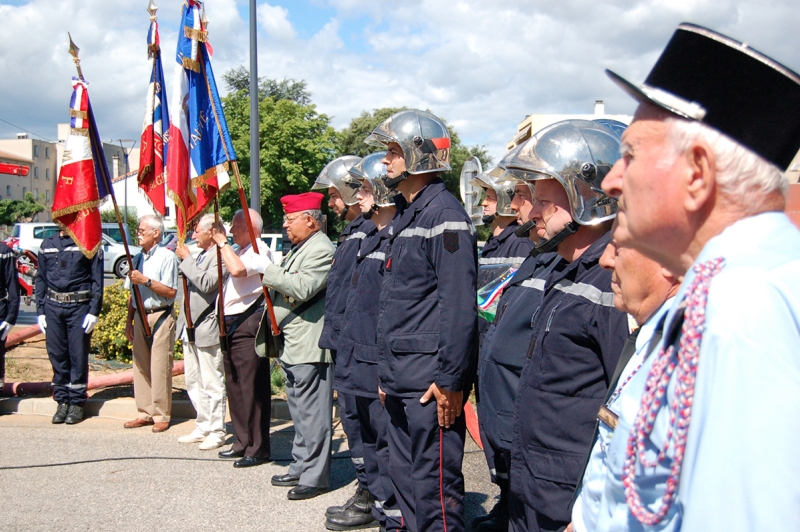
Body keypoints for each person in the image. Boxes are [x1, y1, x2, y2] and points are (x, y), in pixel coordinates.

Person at [587, 23, 800, 531]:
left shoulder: (748, 309)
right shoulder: (725, 290)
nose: (611, 180)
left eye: (631, 155)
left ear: (698, 174)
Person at [502, 120, 629, 532]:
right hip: (534, 485)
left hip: (568, 500)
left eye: (543, 202)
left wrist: (593, 509)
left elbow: (624, 409)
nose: (532, 213)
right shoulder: (566, 269)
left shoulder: (611, 281)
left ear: (586, 197)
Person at [364, 109, 478, 532]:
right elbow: (398, 305)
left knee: (435, 493)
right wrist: (385, 373)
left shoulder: (444, 214)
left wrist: (451, 380)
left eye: (393, 151)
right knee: (407, 481)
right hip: (400, 377)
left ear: (419, 156)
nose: (386, 161)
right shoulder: (407, 214)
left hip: (430, 384)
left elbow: (458, 304)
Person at [568, 221, 679, 532]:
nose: (605, 259)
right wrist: (581, 520)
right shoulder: (650, 337)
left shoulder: (687, 353)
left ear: (668, 260)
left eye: (619, 245)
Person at [327, 152, 404, 531]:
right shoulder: (369, 235)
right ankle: (371, 495)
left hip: (375, 358)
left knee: (381, 438)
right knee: (359, 432)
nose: (359, 196)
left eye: (366, 189)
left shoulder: (394, 237)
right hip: (354, 352)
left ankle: (384, 503)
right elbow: (347, 297)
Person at [312, 155, 379, 528]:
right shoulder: (353, 233)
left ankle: (373, 496)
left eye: (335, 194)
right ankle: (366, 488)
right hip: (345, 344)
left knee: (366, 426)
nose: (331, 202)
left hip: (362, 348)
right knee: (354, 424)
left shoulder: (370, 231)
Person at [255, 192, 335, 500]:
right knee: (300, 413)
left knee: (314, 414)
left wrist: (269, 271)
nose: (286, 226)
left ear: (310, 221)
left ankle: (315, 477)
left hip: (310, 345)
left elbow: (303, 288)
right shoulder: (302, 247)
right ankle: (301, 465)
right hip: (293, 342)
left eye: (290, 220)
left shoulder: (322, 248)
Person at [211, 208, 274, 468]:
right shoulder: (238, 249)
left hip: (249, 321)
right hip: (230, 323)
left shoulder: (259, 250)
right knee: (235, 386)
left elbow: (237, 271)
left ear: (251, 228)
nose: (232, 231)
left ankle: (257, 447)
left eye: (237, 226)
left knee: (252, 387)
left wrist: (222, 242)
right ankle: (242, 440)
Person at [174, 213, 228, 450]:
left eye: (197, 230)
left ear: (210, 232)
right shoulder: (202, 254)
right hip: (189, 326)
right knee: (194, 381)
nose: (193, 234)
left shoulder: (221, 255)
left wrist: (186, 260)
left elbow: (207, 284)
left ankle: (217, 429)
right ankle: (203, 424)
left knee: (212, 381)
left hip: (207, 326)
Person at [35, 231, 97, 424]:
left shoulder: (86, 241)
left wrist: (94, 311)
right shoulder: (48, 244)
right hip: (53, 307)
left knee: (77, 355)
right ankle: (62, 401)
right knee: (57, 355)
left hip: (78, 307)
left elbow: (96, 279)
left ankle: (77, 403)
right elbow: (40, 278)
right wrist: (40, 310)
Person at [123, 214, 178, 432]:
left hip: (161, 314)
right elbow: (131, 293)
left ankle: (161, 414)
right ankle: (144, 412)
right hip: (140, 314)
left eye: (142, 230)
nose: (138, 234)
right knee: (141, 365)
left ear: (156, 233)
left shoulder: (167, 257)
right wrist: (129, 320)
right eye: (137, 230)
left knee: (160, 366)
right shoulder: (136, 259)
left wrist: (145, 280)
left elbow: (171, 291)